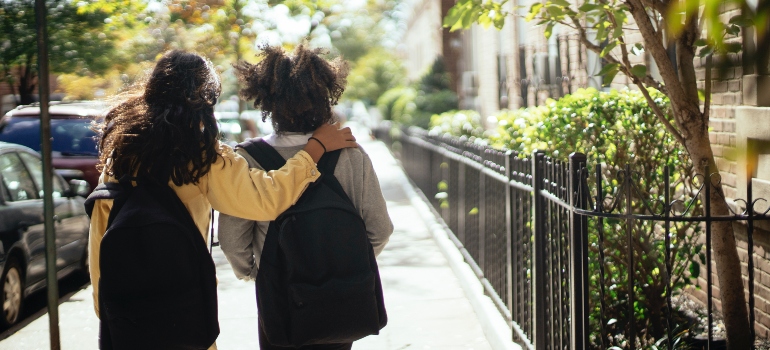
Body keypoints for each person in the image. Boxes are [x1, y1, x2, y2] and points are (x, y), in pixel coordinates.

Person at [88, 50, 358, 350]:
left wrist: (106, 310)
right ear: (204, 98)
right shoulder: (197, 157)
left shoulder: (121, 152)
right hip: (181, 305)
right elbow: (266, 198)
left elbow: (101, 231)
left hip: (123, 312)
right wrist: (315, 149)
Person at [218, 44, 393, 349]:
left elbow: (233, 239)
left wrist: (259, 272)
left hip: (281, 297)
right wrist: (344, 264)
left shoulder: (247, 159)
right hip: (342, 296)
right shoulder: (351, 154)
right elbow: (380, 229)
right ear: (325, 96)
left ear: (268, 102)